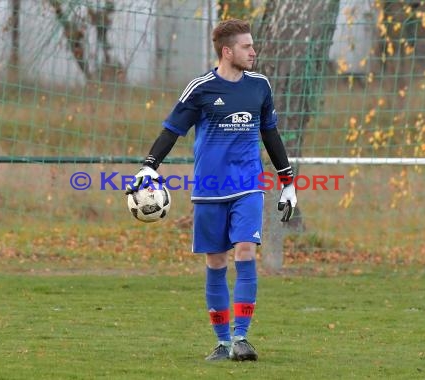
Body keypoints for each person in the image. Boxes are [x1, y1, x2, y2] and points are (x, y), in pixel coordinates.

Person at [126, 18, 297, 361]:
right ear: (227, 51)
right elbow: (172, 130)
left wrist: (288, 182)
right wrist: (149, 165)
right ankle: (222, 342)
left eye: (252, 45)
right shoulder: (200, 89)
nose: (253, 51)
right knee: (216, 261)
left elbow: (271, 134)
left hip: (248, 184)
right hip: (209, 190)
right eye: (247, 46)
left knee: (246, 251)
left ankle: (242, 338)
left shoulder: (260, 86)